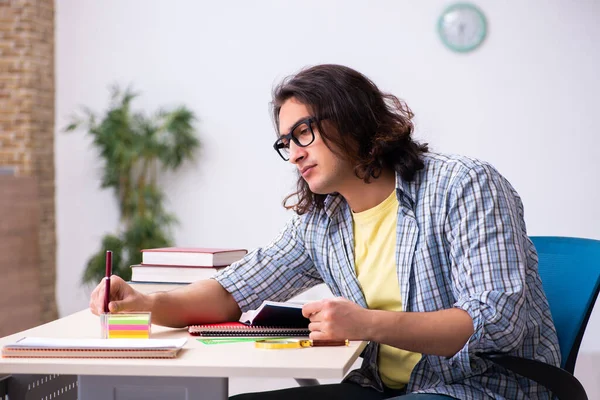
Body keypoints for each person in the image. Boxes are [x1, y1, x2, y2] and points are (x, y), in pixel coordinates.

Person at [89, 64, 560, 400]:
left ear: (355, 119)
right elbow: (231, 292)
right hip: (381, 387)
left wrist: (365, 323)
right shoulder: (322, 221)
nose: (293, 153)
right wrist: (145, 303)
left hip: (481, 388)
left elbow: (495, 323)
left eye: (304, 133)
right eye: (285, 143)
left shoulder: (463, 185)